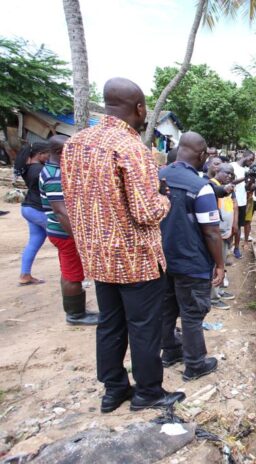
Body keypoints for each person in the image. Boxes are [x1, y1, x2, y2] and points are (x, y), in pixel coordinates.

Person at [62, 77, 184, 413]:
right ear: (140, 108)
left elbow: (71, 200)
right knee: (144, 327)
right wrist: (165, 199)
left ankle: (114, 390)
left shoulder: (75, 145)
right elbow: (146, 212)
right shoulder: (133, 149)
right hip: (136, 260)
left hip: (99, 259)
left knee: (110, 323)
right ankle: (148, 392)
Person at [158, 131, 224, 381]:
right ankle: (195, 364)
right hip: (191, 263)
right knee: (192, 314)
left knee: (166, 309)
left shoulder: (157, 176)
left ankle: (171, 352)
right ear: (202, 154)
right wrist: (219, 265)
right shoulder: (201, 187)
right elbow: (212, 233)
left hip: (162, 260)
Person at [39, 135, 98, 325]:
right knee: (73, 273)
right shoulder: (55, 175)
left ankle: (75, 311)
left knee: (68, 270)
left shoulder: (55, 170)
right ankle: (75, 315)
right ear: (58, 152)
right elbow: (61, 212)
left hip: (61, 231)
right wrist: (80, 238)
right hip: (65, 232)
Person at [17, 142, 51, 285]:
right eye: (47, 154)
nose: (49, 157)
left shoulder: (28, 168)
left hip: (28, 208)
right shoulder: (40, 170)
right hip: (38, 209)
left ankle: (25, 275)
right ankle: (74, 275)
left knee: (34, 242)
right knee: (66, 240)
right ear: (39, 154)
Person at [209, 163, 237, 309]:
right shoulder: (212, 186)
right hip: (217, 235)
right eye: (227, 173)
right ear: (217, 170)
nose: (229, 176)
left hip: (225, 234)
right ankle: (212, 297)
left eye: (231, 174)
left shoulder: (226, 188)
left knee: (222, 264)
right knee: (215, 265)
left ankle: (218, 291)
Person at [230, 151, 255, 259]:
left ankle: (236, 248)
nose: (252, 162)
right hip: (230, 200)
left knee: (238, 226)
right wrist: (245, 178)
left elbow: (246, 188)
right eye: (251, 159)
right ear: (246, 156)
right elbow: (229, 182)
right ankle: (226, 249)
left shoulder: (246, 170)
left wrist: (250, 181)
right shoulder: (231, 166)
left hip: (242, 201)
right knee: (228, 226)